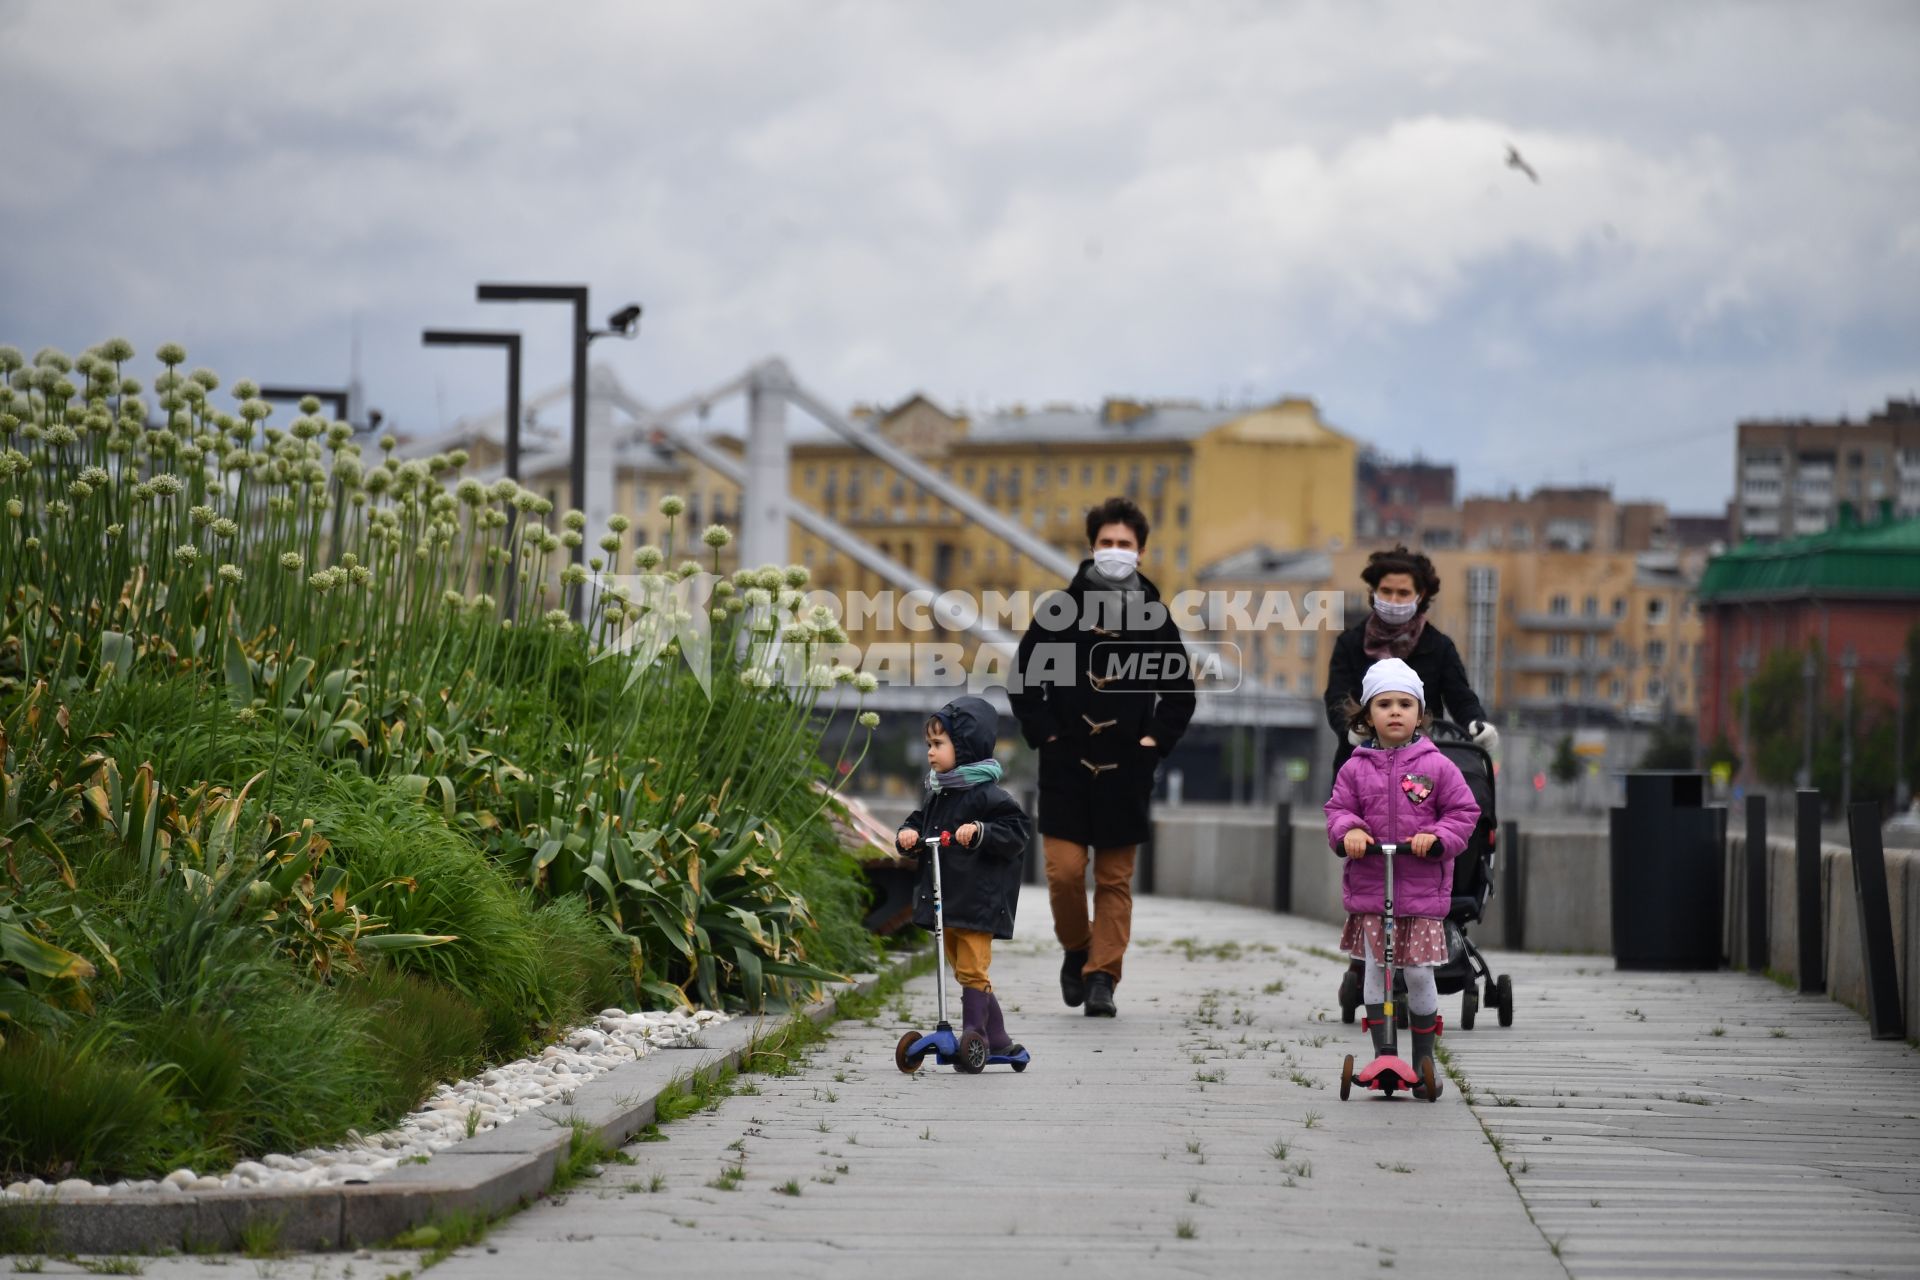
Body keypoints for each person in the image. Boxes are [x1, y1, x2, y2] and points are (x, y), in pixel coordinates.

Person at [1011, 496, 1195, 1019]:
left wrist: (1153, 743)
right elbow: (1023, 682)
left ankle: (1102, 978)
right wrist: (1046, 735)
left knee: (1114, 881)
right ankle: (1077, 948)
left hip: (1127, 771)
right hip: (1065, 766)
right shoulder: (1057, 611)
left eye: (1126, 545)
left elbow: (1180, 693)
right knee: (1065, 873)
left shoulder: (1155, 618)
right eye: (1107, 543)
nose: (1116, 552)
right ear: (1092, 548)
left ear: (1140, 552)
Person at [1324, 658, 1482, 1098]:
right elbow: (1338, 810)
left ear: (1420, 713)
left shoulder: (1436, 766)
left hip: (1418, 892)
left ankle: (1423, 1059)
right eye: (1385, 704)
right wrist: (1350, 831)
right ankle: (1383, 1053)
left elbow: (1464, 812)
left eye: (1405, 704)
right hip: (1375, 890)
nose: (1395, 712)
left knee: (1417, 975)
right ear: (1367, 715)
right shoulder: (1355, 768)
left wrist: (1437, 837)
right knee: (1375, 969)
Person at [896, 695, 1034, 1059]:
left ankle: (976, 1036)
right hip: (947, 902)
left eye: (939, 744)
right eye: (929, 744)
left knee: (973, 970)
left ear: (966, 747)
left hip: (977, 900)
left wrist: (980, 831)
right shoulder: (938, 794)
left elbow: (1017, 830)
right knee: (964, 972)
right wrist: (909, 834)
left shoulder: (988, 795)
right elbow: (921, 823)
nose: (930, 752)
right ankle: (1001, 1038)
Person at [1323, 545, 1496, 777]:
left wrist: (1476, 723)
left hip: (1420, 769)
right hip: (1359, 765)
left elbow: (1461, 697)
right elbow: (1337, 697)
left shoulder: (1439, 647)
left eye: (1403, 593)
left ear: (1420, 595)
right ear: (1374, 592)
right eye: (1386, 591)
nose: (1393, 600)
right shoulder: (1350, 643)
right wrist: (1351, 729)